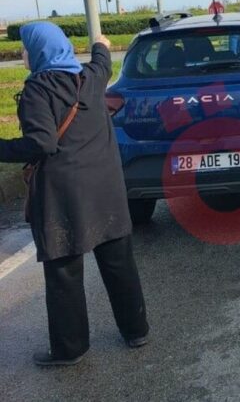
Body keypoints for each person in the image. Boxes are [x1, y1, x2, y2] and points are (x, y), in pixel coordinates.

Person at [0, 23, 148, 367]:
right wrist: (100, 43)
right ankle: (136, 330)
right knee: (119, 264)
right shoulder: (90, 78)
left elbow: (42, 143)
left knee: (64, 272)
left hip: (63, 196)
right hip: (106, 190)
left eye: (25, 48)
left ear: (38, 52)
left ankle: (70, 348)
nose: (23, 54)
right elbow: (103, 60)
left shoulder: (39, 89)